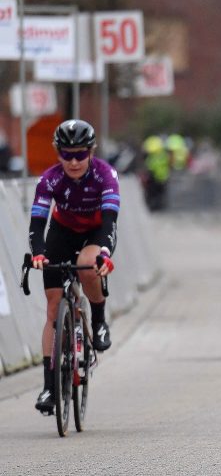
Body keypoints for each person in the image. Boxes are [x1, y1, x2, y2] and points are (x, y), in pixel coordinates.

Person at [29, 119, 120, 413]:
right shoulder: (49, 180)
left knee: (87, 263)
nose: (74, 161)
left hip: (96, 233)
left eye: (80, 154)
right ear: (58, 154)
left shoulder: (105, 175)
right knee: (53, 309)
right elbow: (37, 223)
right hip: (62, 231)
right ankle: (48, 388)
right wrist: (39, 253)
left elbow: (109, 220)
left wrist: (104, 252)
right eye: (66, 154)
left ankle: (98, 319)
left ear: (91, 151)